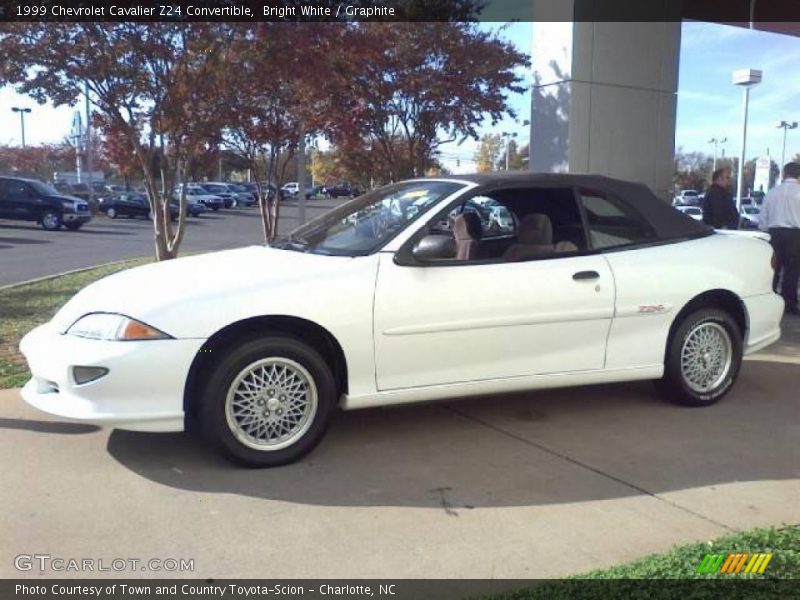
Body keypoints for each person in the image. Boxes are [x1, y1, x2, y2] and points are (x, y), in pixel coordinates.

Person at [760, 162, 800, 315]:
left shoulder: (772, 192)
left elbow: (763, 217)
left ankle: (769, 301)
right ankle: (789, 304)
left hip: (775, 233)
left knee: (773, 269)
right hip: (795, 235)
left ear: (784, 174)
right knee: (792, 270)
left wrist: (766, 231)